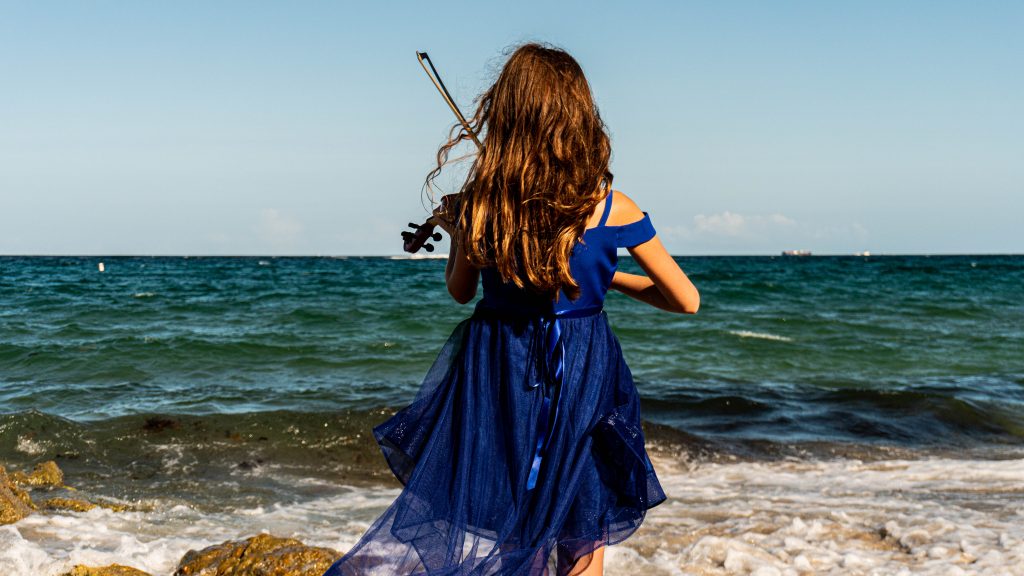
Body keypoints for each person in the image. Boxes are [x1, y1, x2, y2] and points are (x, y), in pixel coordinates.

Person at [322, 42, 699, 576]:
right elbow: (685, 300)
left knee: (511, 508)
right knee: (582, 518)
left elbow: (460, 290)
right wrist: (608, 279)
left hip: (501, 365)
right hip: (583, 370)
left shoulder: (482, 204)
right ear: (578, 116)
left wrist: (458, 232)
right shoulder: (613, 205)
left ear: (506, 112)